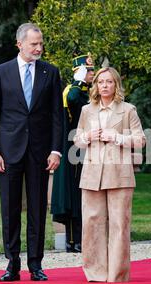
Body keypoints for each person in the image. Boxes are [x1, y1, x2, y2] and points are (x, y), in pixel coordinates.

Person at [0, 23, 63, 282]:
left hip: (40, 152)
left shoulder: (50, 72)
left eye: (41, 44)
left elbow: (56, 116)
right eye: (34, 44)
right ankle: (12, 263)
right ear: (19, 44)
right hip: (8, 153)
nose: (39, 48)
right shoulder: (1, 72)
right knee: (9, 209)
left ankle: (36, 264)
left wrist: (56, 151)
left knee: (38, 209)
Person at [73, 67, 146, 282]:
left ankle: (117, 274)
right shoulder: (87, 110)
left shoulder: (128, 110)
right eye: (100, 82)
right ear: (95, 85)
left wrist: (118, 137)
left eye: (109, 82)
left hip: (119, 174)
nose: (104, 86)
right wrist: (87, 136)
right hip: (92, 174)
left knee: (119, 225)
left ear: (116, 85)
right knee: (92, 223)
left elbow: (141, 139)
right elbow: (76, 139)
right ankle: (96, 273)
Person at [51, 54, 95, 253]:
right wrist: (78, 79)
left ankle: (84, 237)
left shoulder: (88, 91)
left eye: (92, 70)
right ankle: (73, 239)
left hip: (89, 146)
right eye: (89, 70)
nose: (92, 74)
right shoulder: (72, 90)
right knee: (73, 194)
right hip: (73, 149)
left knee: (85, 193)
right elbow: (72, 99)